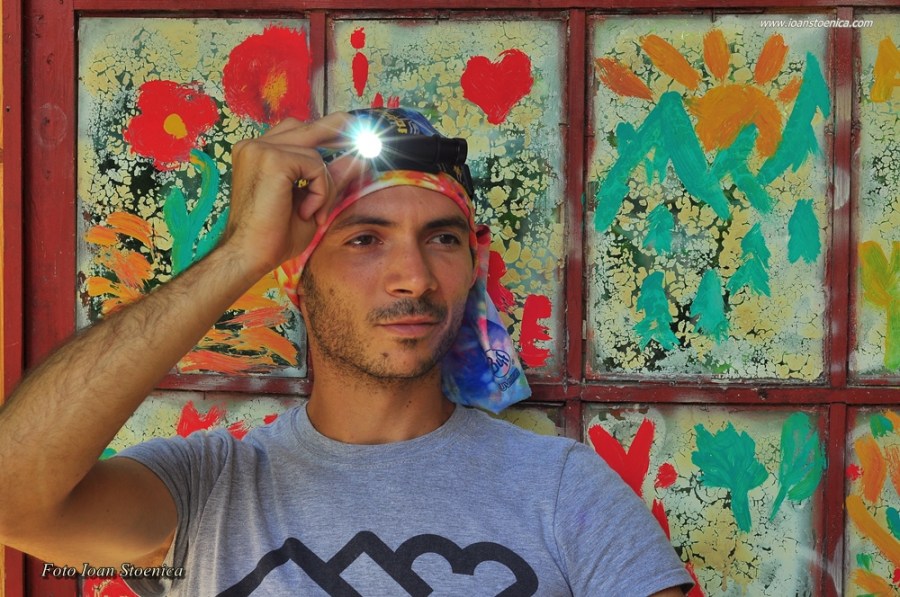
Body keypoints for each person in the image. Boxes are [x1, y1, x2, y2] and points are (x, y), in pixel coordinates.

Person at [0, 108, 693, 596]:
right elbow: (13, 498)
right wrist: (239, 252)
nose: (414, 278)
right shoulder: (206, 488)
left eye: (442, 238)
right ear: (294, 276)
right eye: (364, 239)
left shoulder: (562, 489)